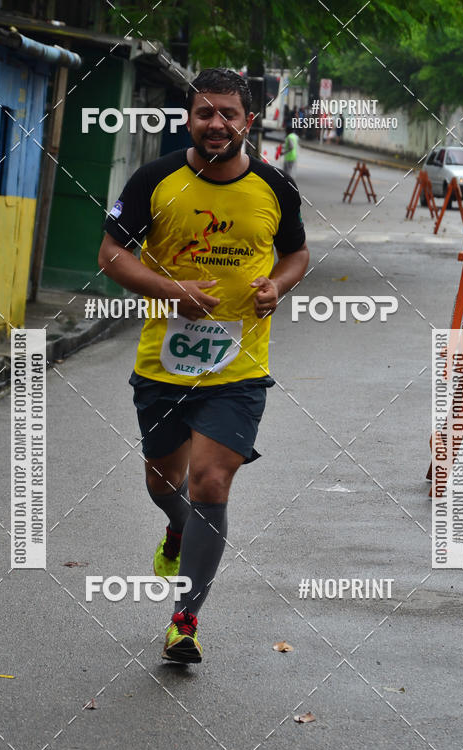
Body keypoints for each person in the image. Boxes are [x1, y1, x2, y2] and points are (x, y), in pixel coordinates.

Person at [98, 68, 309, 664]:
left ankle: (185, 620)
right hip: (164, 365)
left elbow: (296, 253)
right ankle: (177, 526)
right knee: (163, 484)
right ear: (190, 117)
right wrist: (172, 292)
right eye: (204, 112)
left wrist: (280, 286)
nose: (216, 123)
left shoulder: (275, 188)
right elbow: (110, 254)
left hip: (240, 367)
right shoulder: (154, 180)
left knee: (211, 482)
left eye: (229, 114)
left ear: (248, 121)